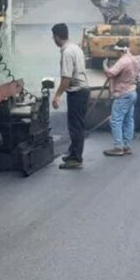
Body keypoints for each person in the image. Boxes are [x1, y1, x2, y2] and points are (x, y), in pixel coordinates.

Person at [50, 22, 89, 170]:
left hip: (77, 92)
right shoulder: (76, 48)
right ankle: (72, 153)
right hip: (82, 90)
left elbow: (66, 79)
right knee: (75, 125)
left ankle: (76, 159)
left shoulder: (66, 52)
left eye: (53, 37)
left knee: (76, 127)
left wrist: (57, 96)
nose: (53, 40)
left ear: (57, 36)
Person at [102, 41, 138, 157]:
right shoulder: (134, 59)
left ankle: (118, 147)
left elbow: (110, 74)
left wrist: (105, 65)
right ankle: (127, 146)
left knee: (116, 120)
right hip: (132, 92)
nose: (116, 53)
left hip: (122, 94)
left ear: (120, 50)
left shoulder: (123, 61)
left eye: (116, 51)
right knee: (129, 120)